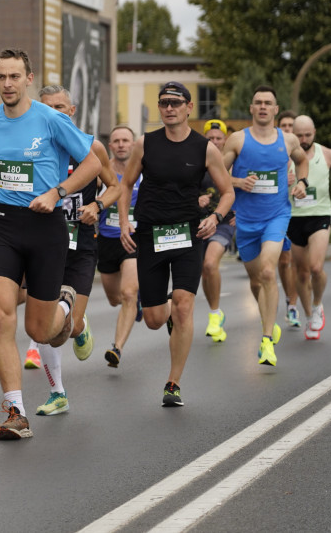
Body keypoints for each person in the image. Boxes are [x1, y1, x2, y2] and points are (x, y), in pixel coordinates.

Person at [0, 48, 99, 440]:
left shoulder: (50, 119)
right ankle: (15, 410)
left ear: (28, 78)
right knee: (1, 317)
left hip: (46, 225)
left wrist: (58, 192)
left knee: (41, 330)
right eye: (1, 77)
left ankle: (67, 312)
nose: (7, 84)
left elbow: (92, 164)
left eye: (15, 76)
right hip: (5, 225)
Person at [119, 81, 233, 407]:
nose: (169, 108)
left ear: (188, 107)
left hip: (188, 234)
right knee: (155, 319)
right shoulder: (145, 144)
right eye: (163, 103)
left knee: (184, 306)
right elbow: (126, 185)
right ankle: (167, 311)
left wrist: (217, 218)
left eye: (175, 102)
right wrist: (125, 221)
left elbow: (228, 192)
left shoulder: (205, 148)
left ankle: (173, 383)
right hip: (151, 234)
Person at [28, 85, 119, 417]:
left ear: (73, 110)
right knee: (50, 331)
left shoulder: (91, 146)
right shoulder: (34, 148)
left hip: (80, 242)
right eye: (48, 108)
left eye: (61, 107)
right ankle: (57, 393)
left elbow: (116, 186)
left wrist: (97, 205)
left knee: (65, 325)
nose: (55, 113)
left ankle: (79, 326)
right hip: (44, 242)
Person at [220, 85, 308, 366]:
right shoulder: (237, 140)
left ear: (276, 109)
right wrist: (236, 182)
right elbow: (217, 173)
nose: (262, 107)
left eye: (267, 103)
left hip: (277, 216)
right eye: (257, 102)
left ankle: (267, 340)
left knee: (269, 271)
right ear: (251, 108)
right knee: (257, 281)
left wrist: (302, 182)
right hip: (246, 221)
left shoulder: (289, 140)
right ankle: (269, 322)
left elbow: (302, 161)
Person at [288, 114, 331, 340]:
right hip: (294, 217)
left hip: (320, 215)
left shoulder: (328, 154)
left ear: (314, 133)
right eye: (299, 135)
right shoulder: (286, 157)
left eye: (307, 135)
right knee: (301, 274)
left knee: (315, 267)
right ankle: (310, 314)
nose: (303, 139)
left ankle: (318, 303)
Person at [98, 125, 142, 368]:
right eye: (117, 141)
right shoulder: (101, 173)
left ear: (134, 145)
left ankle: (117, 348)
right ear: (111, 146)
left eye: (126, 140)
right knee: (114, 298)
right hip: (106, 240)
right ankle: (138, 303)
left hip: (134, 240)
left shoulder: (144, 174)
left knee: (128, 293)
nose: (122, 144)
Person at [199, 119, 238, 343]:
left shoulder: (233, 164)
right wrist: (197, 199)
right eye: (209, 138)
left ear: (225, 141)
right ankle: (216, 312)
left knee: (210, 264)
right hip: (198, 223)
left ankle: (214, 315)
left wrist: (240, 212)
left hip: (224, 222)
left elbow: (246, 190)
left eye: (218, 138)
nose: (214, 141)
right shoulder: (196, 163)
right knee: (205, 271)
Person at [276, 110, 300, 326]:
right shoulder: (274, 152)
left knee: (303, 265)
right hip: (280, 212)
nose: (288, 129)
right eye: (284, 125)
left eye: (291, 126)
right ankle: (290, 302)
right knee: (285, 261)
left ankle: (296, 302)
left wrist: (301, 181)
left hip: (303, 214)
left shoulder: (304, 157)